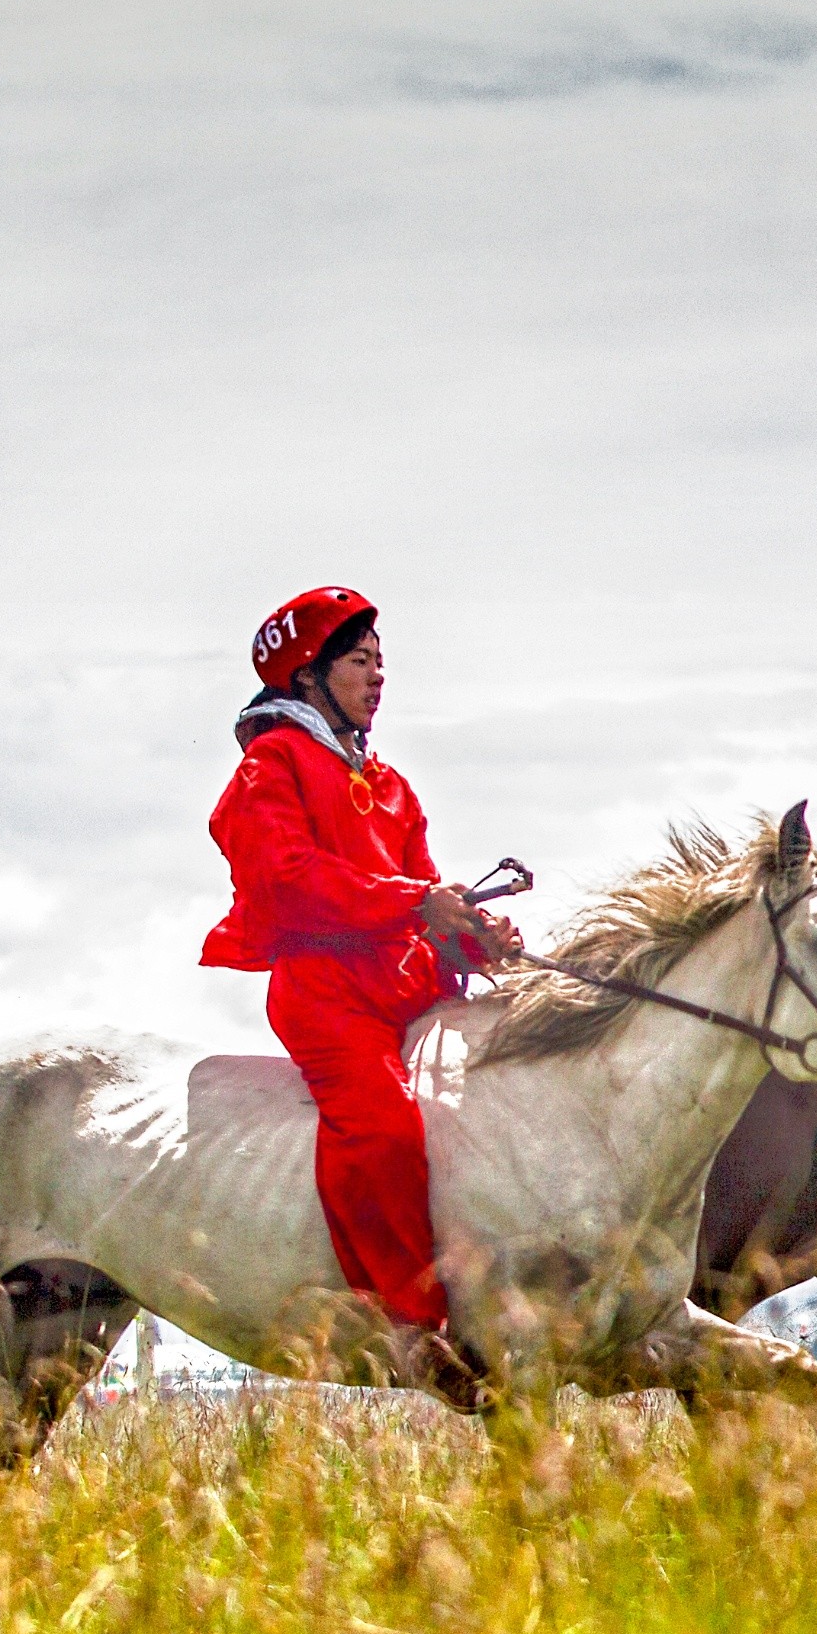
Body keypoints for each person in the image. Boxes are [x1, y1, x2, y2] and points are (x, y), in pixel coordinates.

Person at [200, 585, 523, 1388]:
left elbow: (423, 891)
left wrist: (474, 934)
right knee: (383, 1132)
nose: (377, 677)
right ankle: (412, 1329)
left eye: (381, 662)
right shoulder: (267, 765)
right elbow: (285, 879)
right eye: (358, 661)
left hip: (407, 986)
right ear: (308, 675)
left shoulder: (392, 784)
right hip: (326, 995)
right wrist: (414, 902)